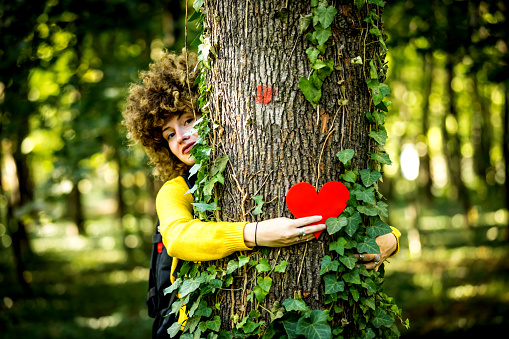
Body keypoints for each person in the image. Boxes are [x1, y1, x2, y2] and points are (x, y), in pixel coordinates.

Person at [122, 49, 400, 335]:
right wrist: (256, 233)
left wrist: (391, 238)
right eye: (169, 134)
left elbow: (333, 213)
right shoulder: (175, 190)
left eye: (189, 120)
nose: (180, 136)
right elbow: (179, 237)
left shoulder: (245, 169)